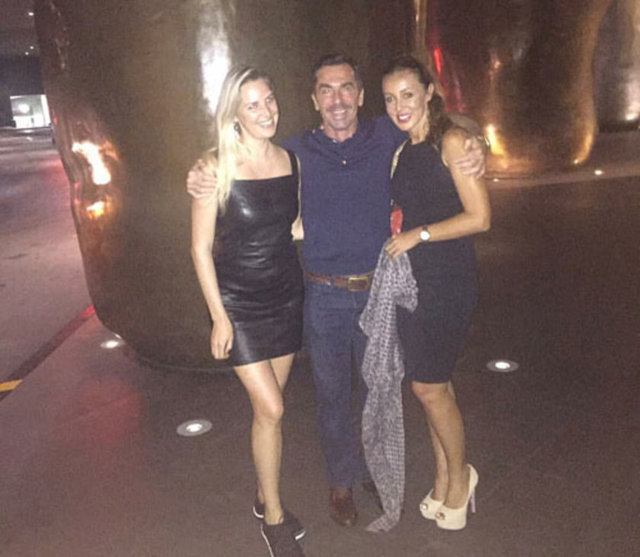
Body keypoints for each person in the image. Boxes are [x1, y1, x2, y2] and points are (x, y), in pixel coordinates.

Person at [187, 53, 485, 528]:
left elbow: (443, 125)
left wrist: (476, 142)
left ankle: (370, 470)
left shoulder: (386, 134)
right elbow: (239, 153)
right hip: (321, 294)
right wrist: (201, 170)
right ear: (314, 100)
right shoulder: (295, 151)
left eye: (347, 88)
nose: (338, 99)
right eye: (326, 90)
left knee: (377, 390)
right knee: (331, 395)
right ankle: (340, 481)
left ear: (362, 96)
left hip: (377, 291)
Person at [190, 66, 306, 557]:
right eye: (253, 104)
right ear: (235, 114)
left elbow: (293, 225)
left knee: (268, 411)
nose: (266, 111)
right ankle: (274, 518)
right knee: (273, 409)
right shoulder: (214, 167)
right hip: (239, 304)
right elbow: (200, 248)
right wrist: (219, 316)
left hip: (286, 297)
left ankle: (263, 495)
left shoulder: (290, 160)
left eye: (270, 99)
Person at [382, 55, 491, 531]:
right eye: (390, 98)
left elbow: (480, 217)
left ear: (429, 92)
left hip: (447, 279)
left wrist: (419, 235)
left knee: (428, 386)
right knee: (433, 385)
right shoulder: (403, 149)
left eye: (408, 94)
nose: (399, 106)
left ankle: (462, 475)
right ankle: (444, 474)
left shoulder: (453, 141)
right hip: (412, 282)